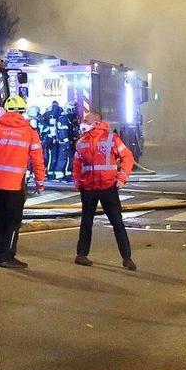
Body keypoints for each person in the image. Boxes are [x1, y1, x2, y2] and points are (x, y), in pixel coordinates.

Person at [0, 96, 47, 268]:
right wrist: (40, 181)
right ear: (22, 111)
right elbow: (37, 159)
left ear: (6, 110)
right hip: (15, 184)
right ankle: (7, 256)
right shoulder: (29, 131)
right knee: (13, 221)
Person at [72, 108, 137, 270]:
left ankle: (127, 257)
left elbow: (127, 157)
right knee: (86, 222)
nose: (83, 123)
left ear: (97, 122)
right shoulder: (81, 142)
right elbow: (77, 165)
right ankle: (81, 254)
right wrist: (78, 182)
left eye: (86, 121)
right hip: (88, 188)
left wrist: (122, 178)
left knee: (117, 222)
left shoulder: (112, 139)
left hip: (108, 187)